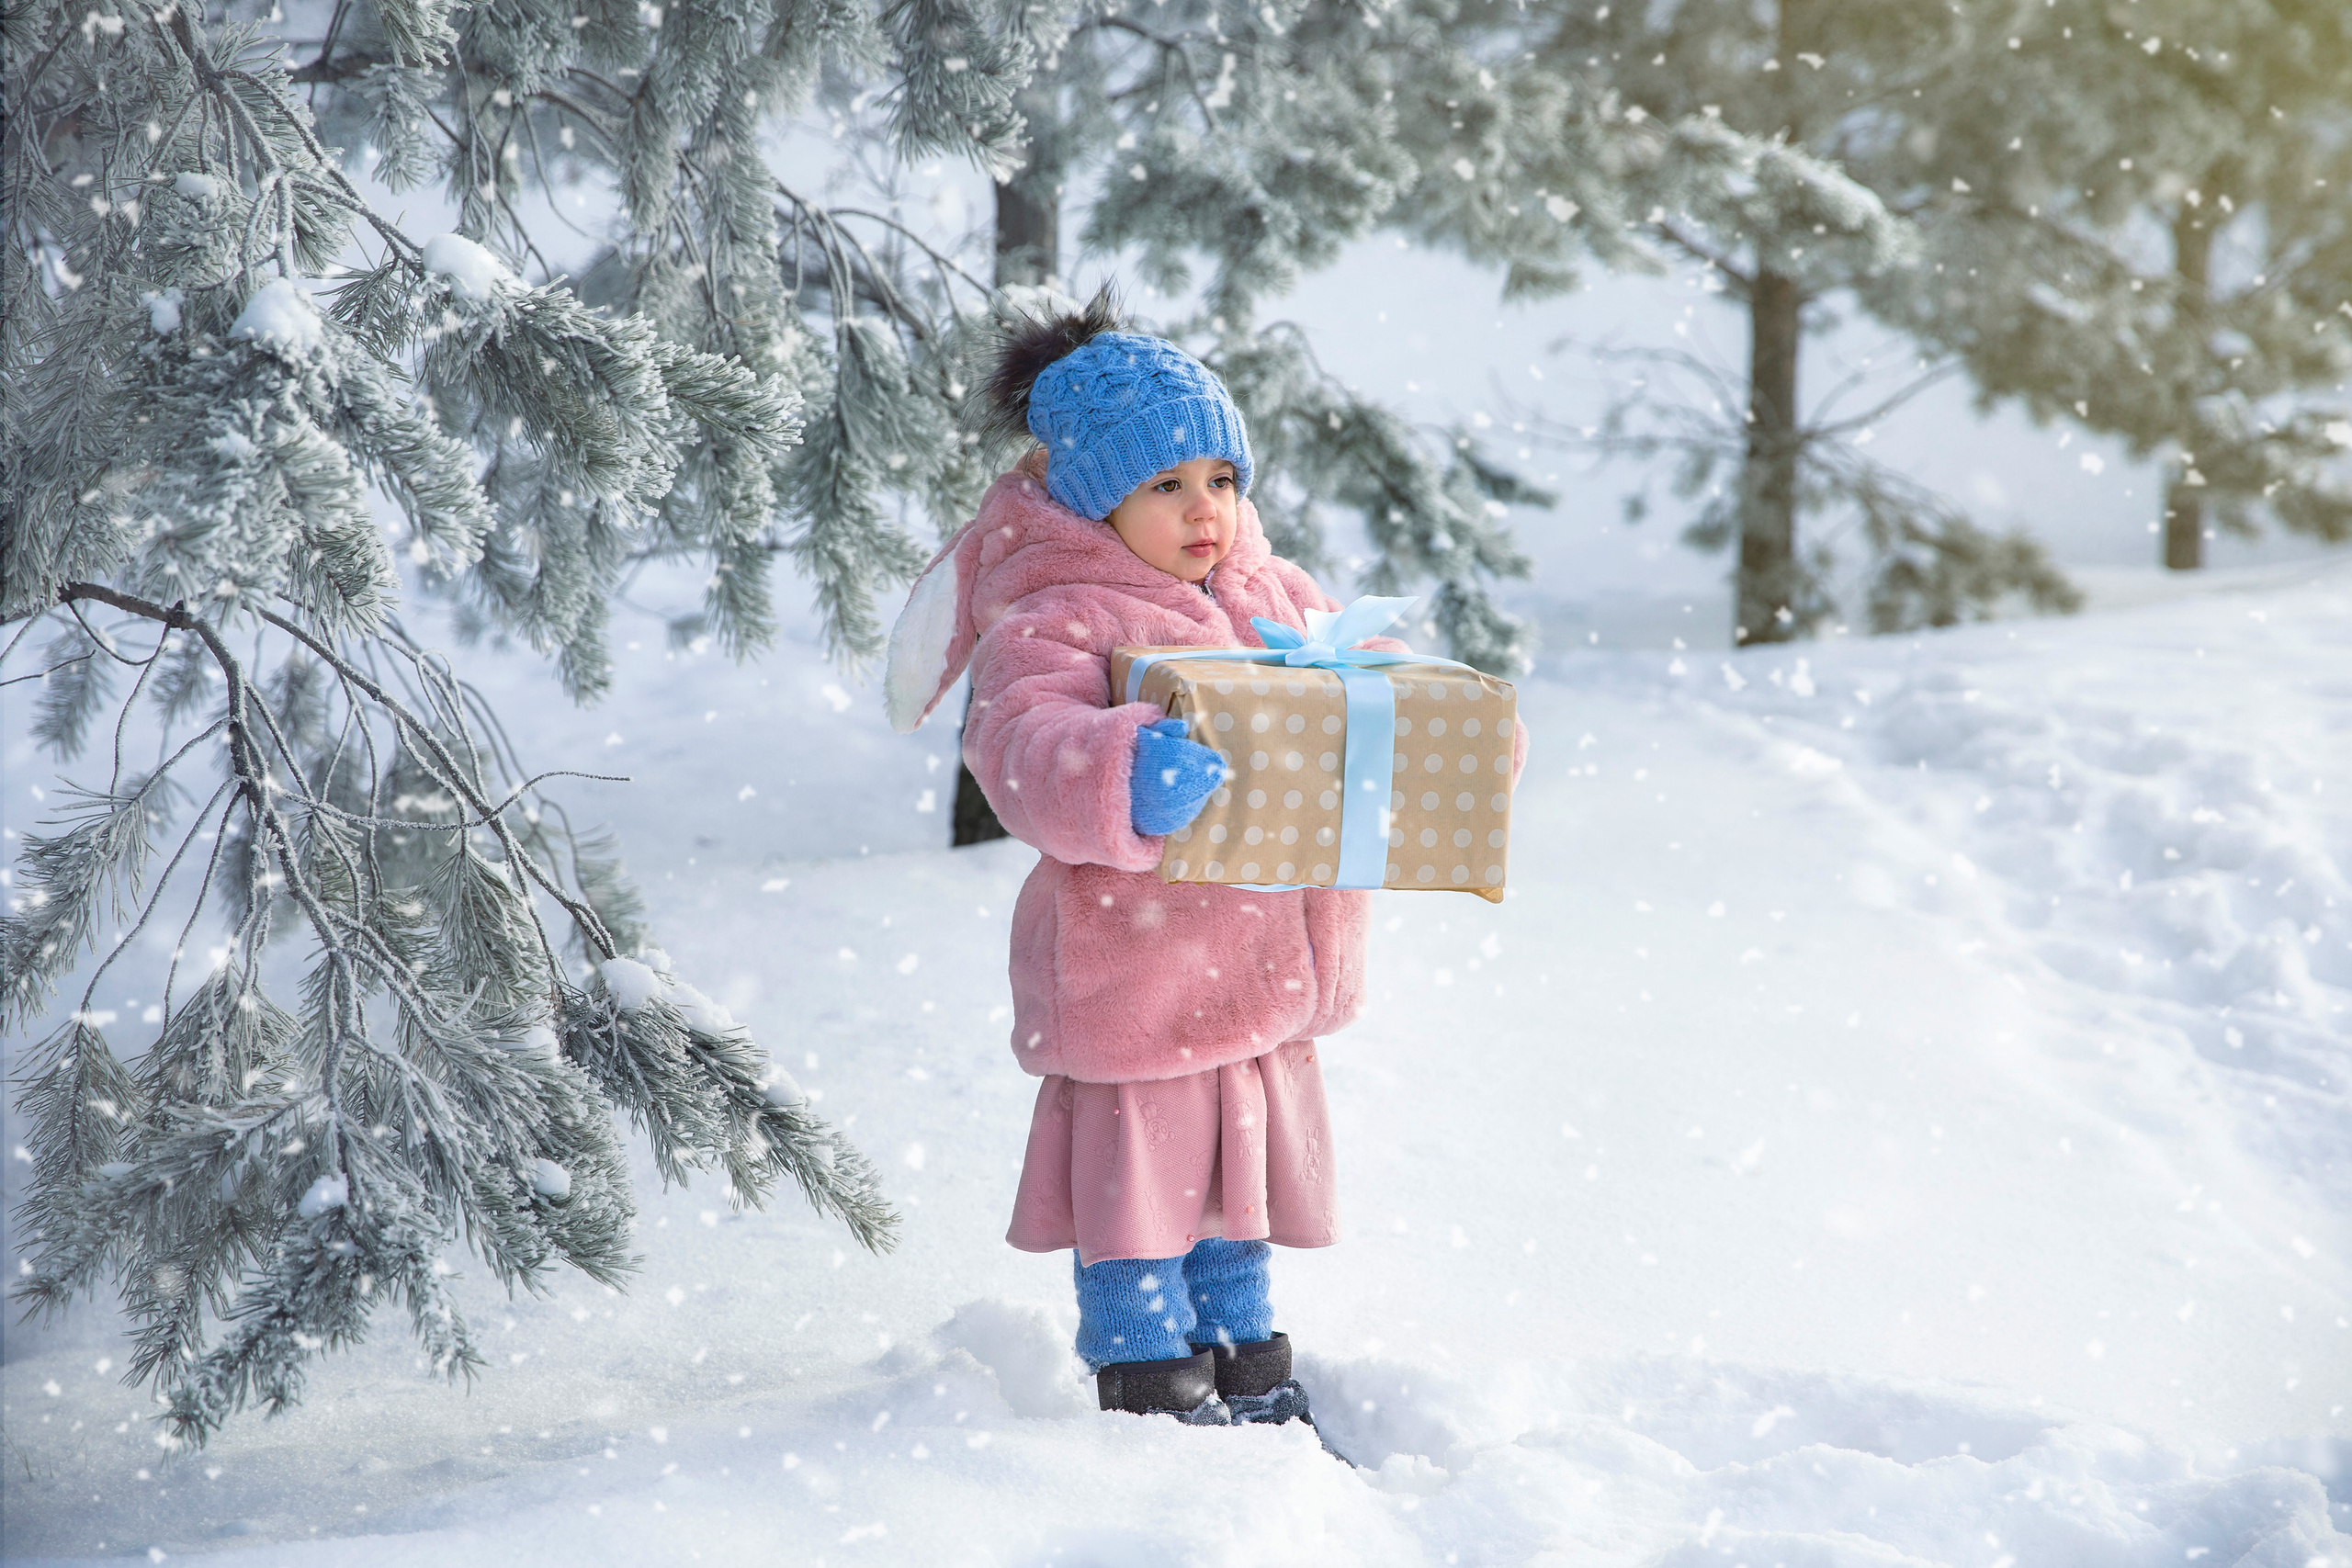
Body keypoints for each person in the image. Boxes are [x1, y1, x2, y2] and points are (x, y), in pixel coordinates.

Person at [883, 292, 1527, 1428]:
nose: (1205, 511)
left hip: (1266, 972)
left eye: (1220, 481)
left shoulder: (1276, 596)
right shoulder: (1061, 615)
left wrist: (1450, 739)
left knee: (1237, 1178)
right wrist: (1117, 772)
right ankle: (1144, 1366)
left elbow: (1368, 687)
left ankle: (1240, 1352)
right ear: (1095, 496)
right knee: (1141, 1178)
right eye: (1165, 486)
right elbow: (1018, 744)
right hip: (1139, 972)